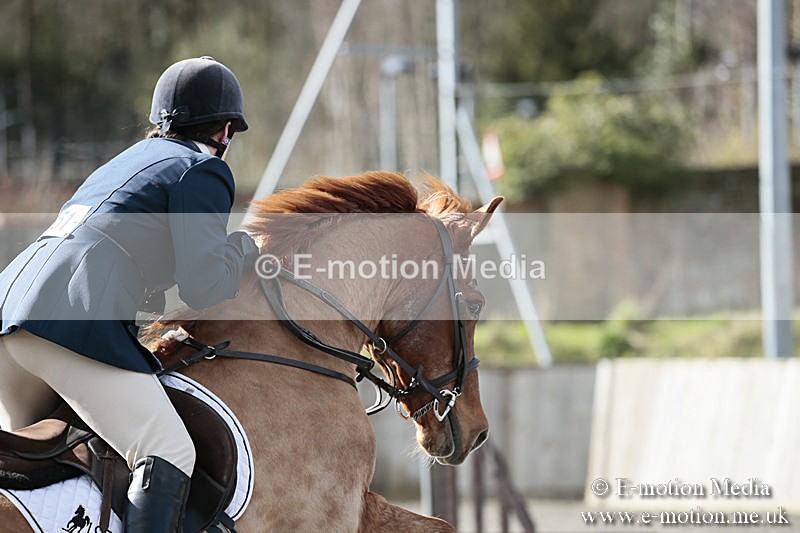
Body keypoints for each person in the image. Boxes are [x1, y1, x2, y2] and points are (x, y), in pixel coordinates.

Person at [0, 56, 259, 532]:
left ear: (160, 121)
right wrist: (241, 252)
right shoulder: (203, 169)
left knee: (44, 467)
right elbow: (203, 286)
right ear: (226, 130)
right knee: (168, 451)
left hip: (12, 315)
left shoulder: (126, 162)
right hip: (69, 324)